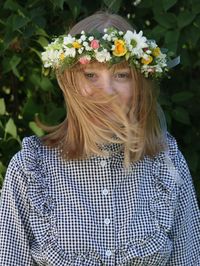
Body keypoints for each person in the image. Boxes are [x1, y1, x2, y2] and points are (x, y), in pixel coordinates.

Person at [0, 11, 199, 266]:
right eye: (91, 75)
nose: (107, 91)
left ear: (139, 83)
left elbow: (189, 259)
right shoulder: (30, 171)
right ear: (69, 82)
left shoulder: (167, 165)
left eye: (122, 75)